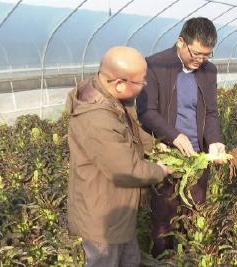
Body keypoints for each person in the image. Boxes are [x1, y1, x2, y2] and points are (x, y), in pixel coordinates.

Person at [66, 46, 171, 267]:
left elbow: (133, 132)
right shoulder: (97, 119)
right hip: (103, 220)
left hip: (119, 214)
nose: (145, 86)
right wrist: (160, 170)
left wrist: (159, 149)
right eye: (141, 81)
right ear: (120, 83)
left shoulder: (113, 101)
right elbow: (127, 170)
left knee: (130, 260)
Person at [136, 17, 225, 257]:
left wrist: (215, 141)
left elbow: (211, 112)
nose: (200, 60)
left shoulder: (209, 71)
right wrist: (173, 136)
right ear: (180, 42)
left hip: (197, 159)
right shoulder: (155, 66)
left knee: (194, 215)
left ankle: (189, 259)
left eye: (207, 55)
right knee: (163, 220)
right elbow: (146, 112)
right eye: (196, 53)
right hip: (167, 157)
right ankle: (162, 259)